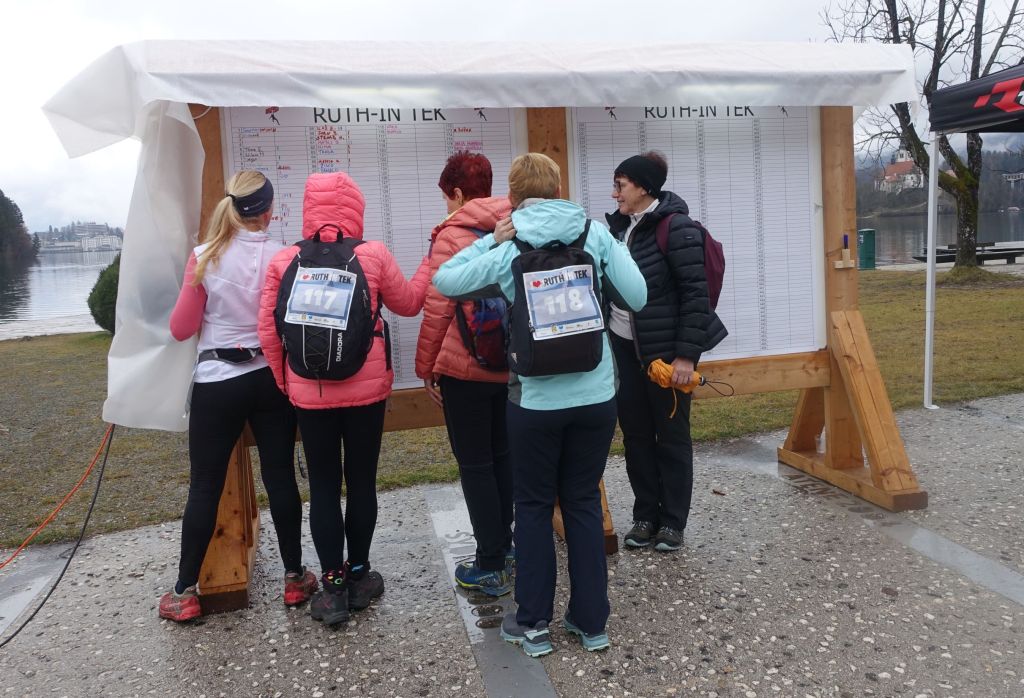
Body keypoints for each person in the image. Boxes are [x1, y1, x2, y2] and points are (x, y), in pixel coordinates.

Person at [433, 153, 647, 657]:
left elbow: (446, 280)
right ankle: (591, 623)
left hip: (534, 401)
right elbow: (637, 296)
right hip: (595, 395)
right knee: (582, 502)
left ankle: (532, 624)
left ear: (513, 197)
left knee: (531, 506)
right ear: (557, 189)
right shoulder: (594, 234)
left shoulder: (510, 246)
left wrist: (492, 239)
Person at [258, 171, 431, 626]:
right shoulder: (372, 255)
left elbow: (267, 331)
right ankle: (359, 576)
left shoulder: (285, 260)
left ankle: (332, 588)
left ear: (307, 209)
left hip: (309, 394)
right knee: (361, 482)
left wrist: (286, 383)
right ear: (356, 209)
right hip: (366, 393)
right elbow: (409, 303)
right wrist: (431, 260)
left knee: (322, 488)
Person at [161, 170, 316, 622]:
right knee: (280, 477)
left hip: (217, 380)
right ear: (268, 211)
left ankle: (184, 592)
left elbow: (181, 328)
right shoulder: (284, 256)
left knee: (205, 485)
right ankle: (294, 578)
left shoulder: (204, 256)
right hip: (269, 377)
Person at [605, 152, 727, 552]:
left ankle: (673, 521)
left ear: (643, 187)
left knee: (671, 436)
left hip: (666, 354)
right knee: (636, 435)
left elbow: (695, 296)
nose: (615, 194)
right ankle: (645, 516)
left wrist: (687, 356)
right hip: (624, 350)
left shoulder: (677, 228)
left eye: (621, 185)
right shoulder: (619, 229)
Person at [415, 152, 514, 596]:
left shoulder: (451, 236)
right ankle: (508, 546)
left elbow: (438, 308)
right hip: (512, 367)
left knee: (475, 466)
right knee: (504, 458)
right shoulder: (515, 223)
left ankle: (490, 563)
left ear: (456, 193)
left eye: (446, 196)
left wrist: (426, 368)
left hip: (465, 371)